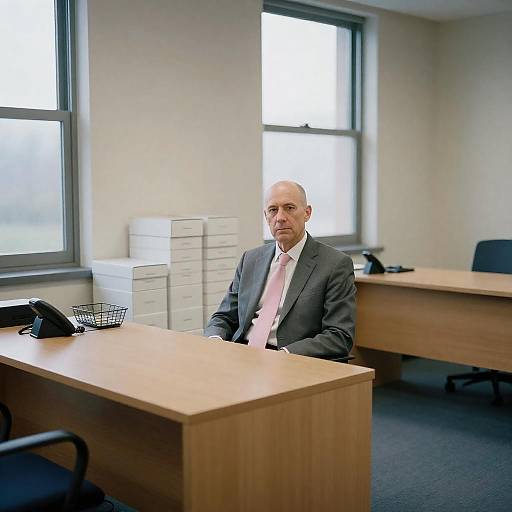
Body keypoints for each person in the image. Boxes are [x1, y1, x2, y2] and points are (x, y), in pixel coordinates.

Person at [204, 180, 356, 359]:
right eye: (273, 210)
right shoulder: (251, 260)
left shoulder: (335, 264)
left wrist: (285, 356)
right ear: (266, 216)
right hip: (243, 355)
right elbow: (224, 316)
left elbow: (339, 335)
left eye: (289, 208)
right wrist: (215, 340)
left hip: (290, 359)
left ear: (307, 213)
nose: (280, 217)